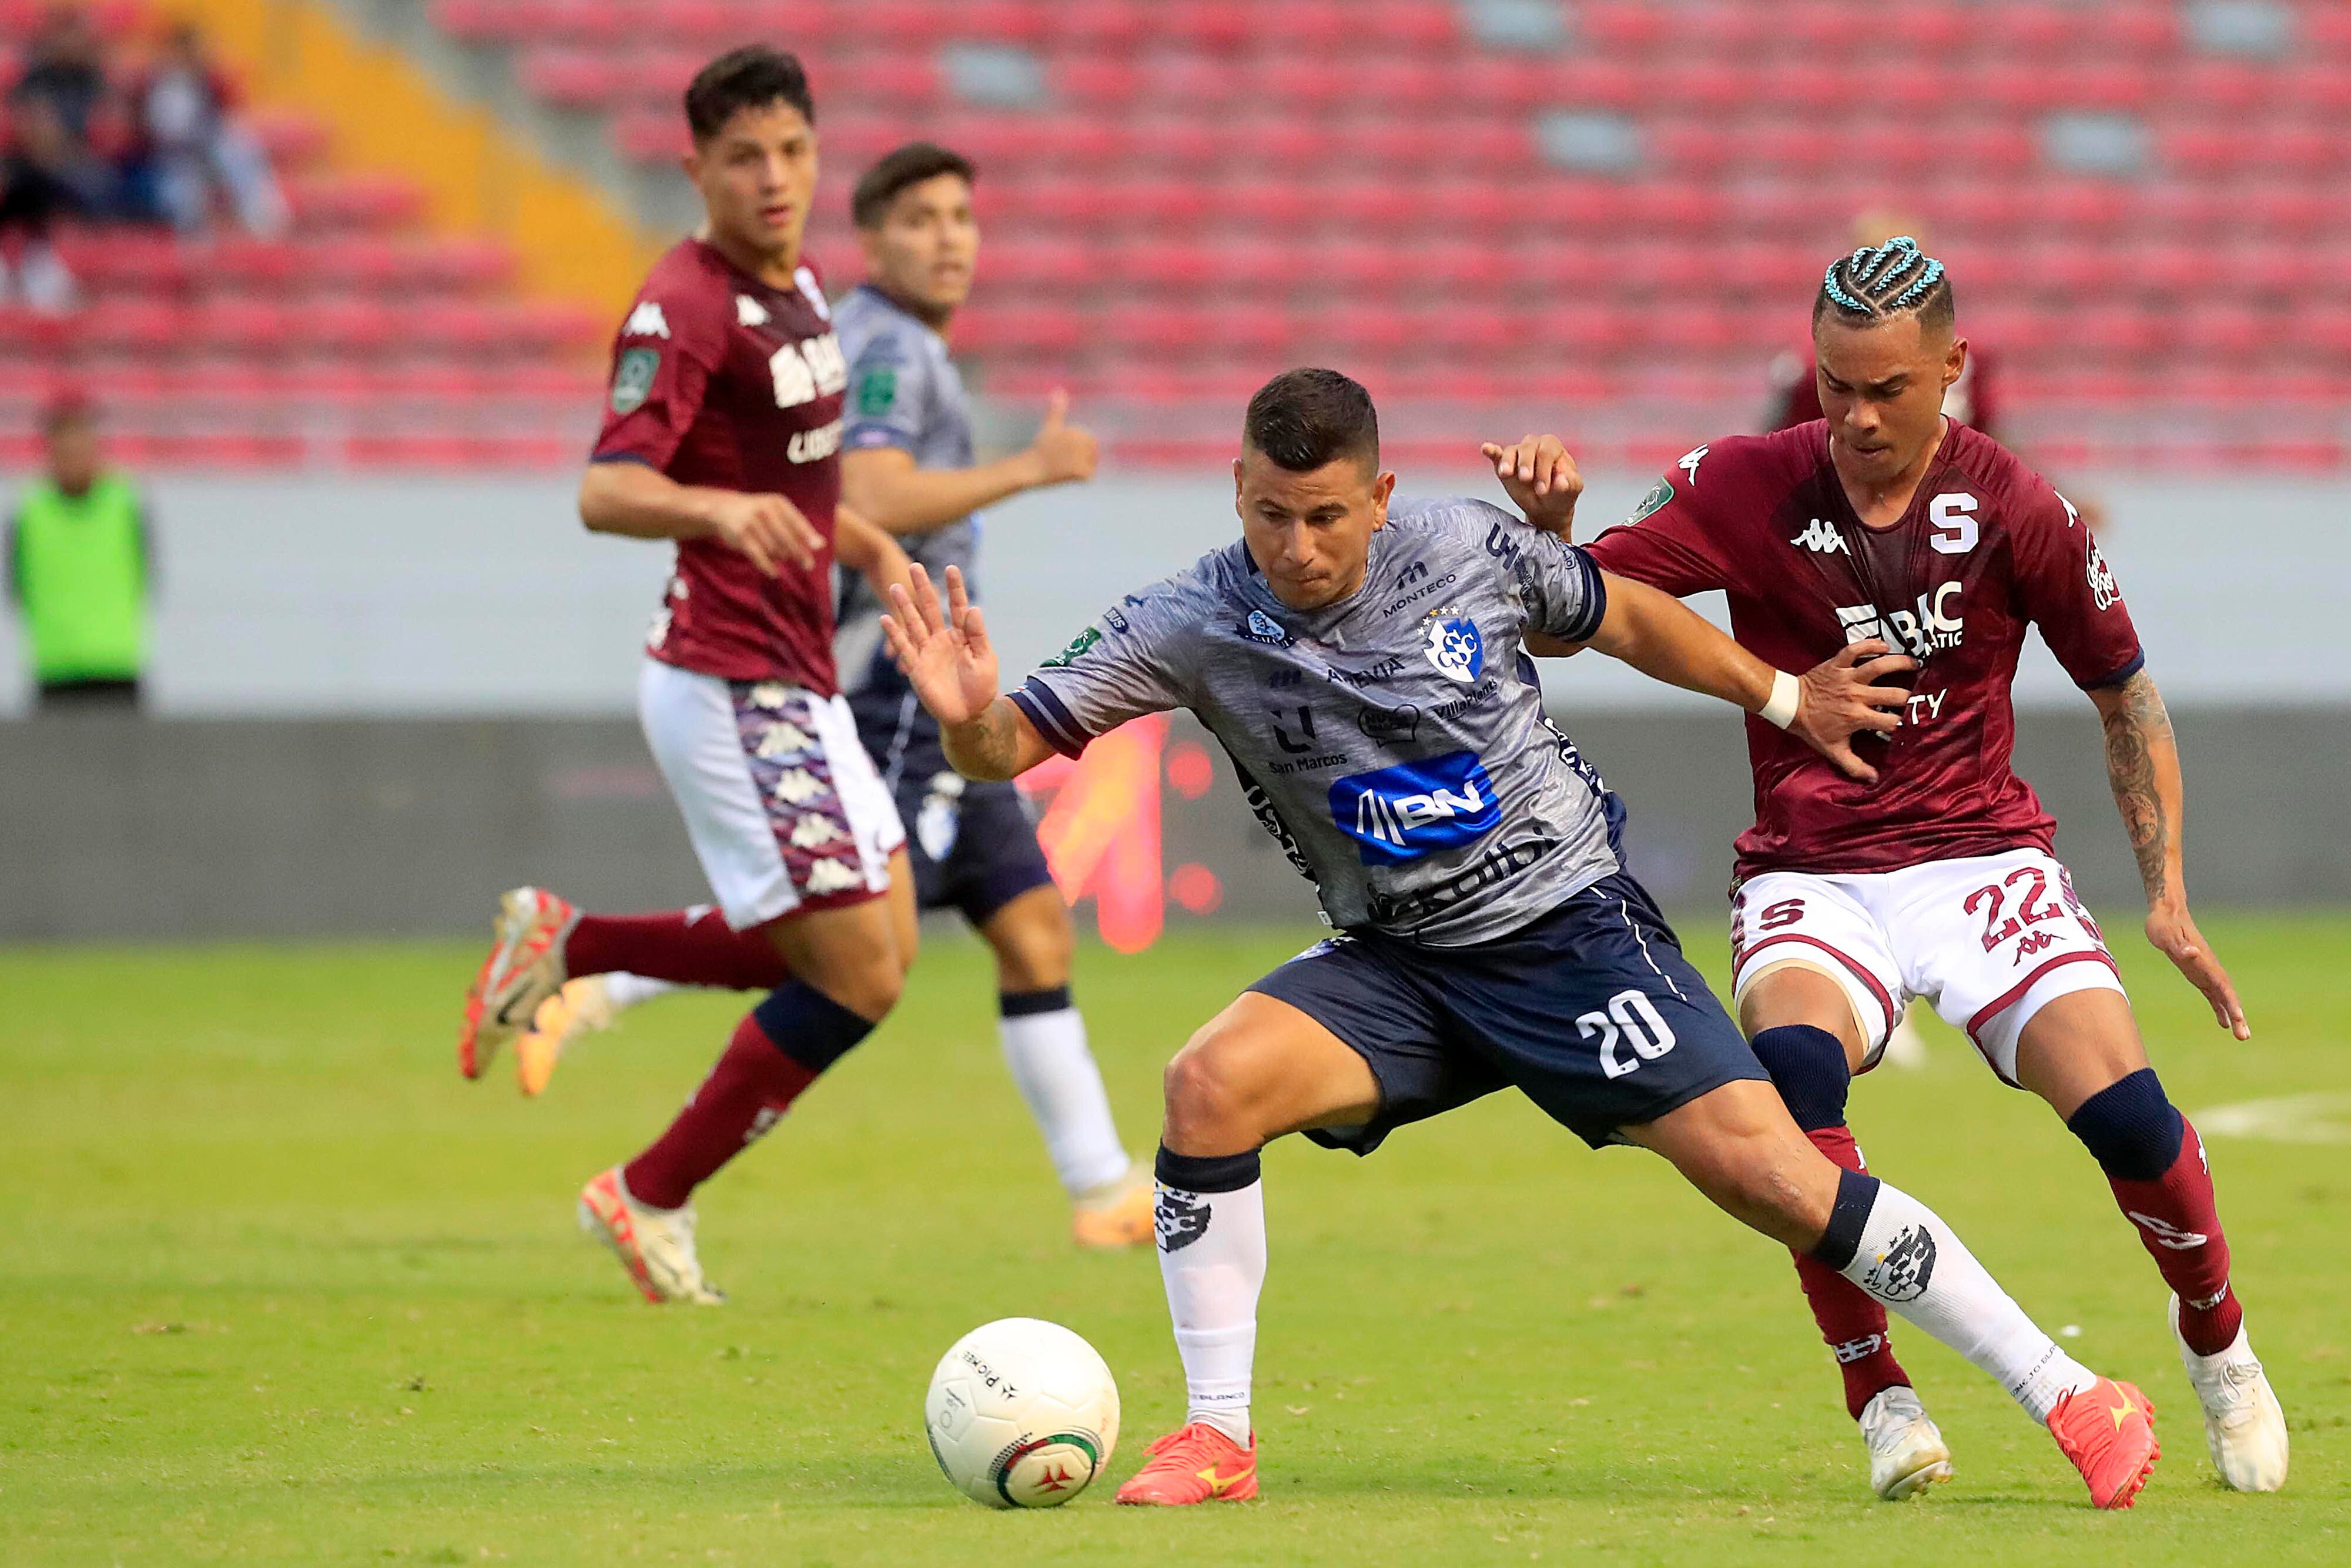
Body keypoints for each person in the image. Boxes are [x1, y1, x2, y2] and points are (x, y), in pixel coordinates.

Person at [879, 366, 2163, 1510]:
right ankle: (1218, 1436)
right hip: (1397, 962)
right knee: (1204, 1086)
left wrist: (1778, 689)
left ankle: (2067, 1391)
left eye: (1326, 514)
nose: (1298, 544)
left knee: (1777, 1180)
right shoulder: (1189, 618)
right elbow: (1010, 743)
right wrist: (964, 715)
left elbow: (1623, 613)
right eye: (1270, 513)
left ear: (1379, 494)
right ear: (1236, 491)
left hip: (1569, 935)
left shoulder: (1469, 553)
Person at [1578, 236, 2287, 1497]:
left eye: (1886, 389)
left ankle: (2215, 1340)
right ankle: (1879, 1393)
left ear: (1952, 368)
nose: (1853, 416)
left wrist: (2165, 896)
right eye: (1832, 384)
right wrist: (1554, 546)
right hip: (1810, 868)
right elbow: (1590, 601)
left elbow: (2123, 695)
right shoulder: (1744, 482)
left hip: (1981, 856)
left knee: (2128, 1113)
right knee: (1789, 1089)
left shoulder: (2016, 504)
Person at [514, 140, 1153, 1246]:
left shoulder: (893, 341)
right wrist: (1026, 468)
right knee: (846, 940)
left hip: (917, 690)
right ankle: (596, 973)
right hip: (887, 695)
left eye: (962, 215)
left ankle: (1100, 1188)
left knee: (1035, 931)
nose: (949, 238)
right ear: (874, 238)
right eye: (920, 219)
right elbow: (870, 489)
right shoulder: (889, 349)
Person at [456, 46, 922, 1306]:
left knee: (874, 945)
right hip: (729, 679)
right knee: (856, 970)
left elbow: (803, 479)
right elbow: (605, 488)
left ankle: (576, 951)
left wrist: (866, 544)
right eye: (742, 158)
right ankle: (647, 1184)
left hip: (797, 672)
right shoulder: (684, 305)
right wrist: (718, 513)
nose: (772, 179)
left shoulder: (799, 282)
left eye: (790, 151)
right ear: (694, 168)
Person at [7, 394, 155, 711]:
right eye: (65, 452)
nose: (74, 460)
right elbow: (17, 585)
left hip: (117, 666)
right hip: (54, 669)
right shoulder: (30, 512)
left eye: (82, 449)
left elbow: (146, 573)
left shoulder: (125, 503)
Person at [122, 22, 288, 237]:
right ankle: (196, 242)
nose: (195, 56)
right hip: (164, 166)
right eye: (188, 50)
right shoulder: (152, 86)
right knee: (186, 191)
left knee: (237, 146)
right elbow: (159, 136)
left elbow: (219, 125)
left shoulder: (205, 83)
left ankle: (261, 216)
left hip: (205, 158)